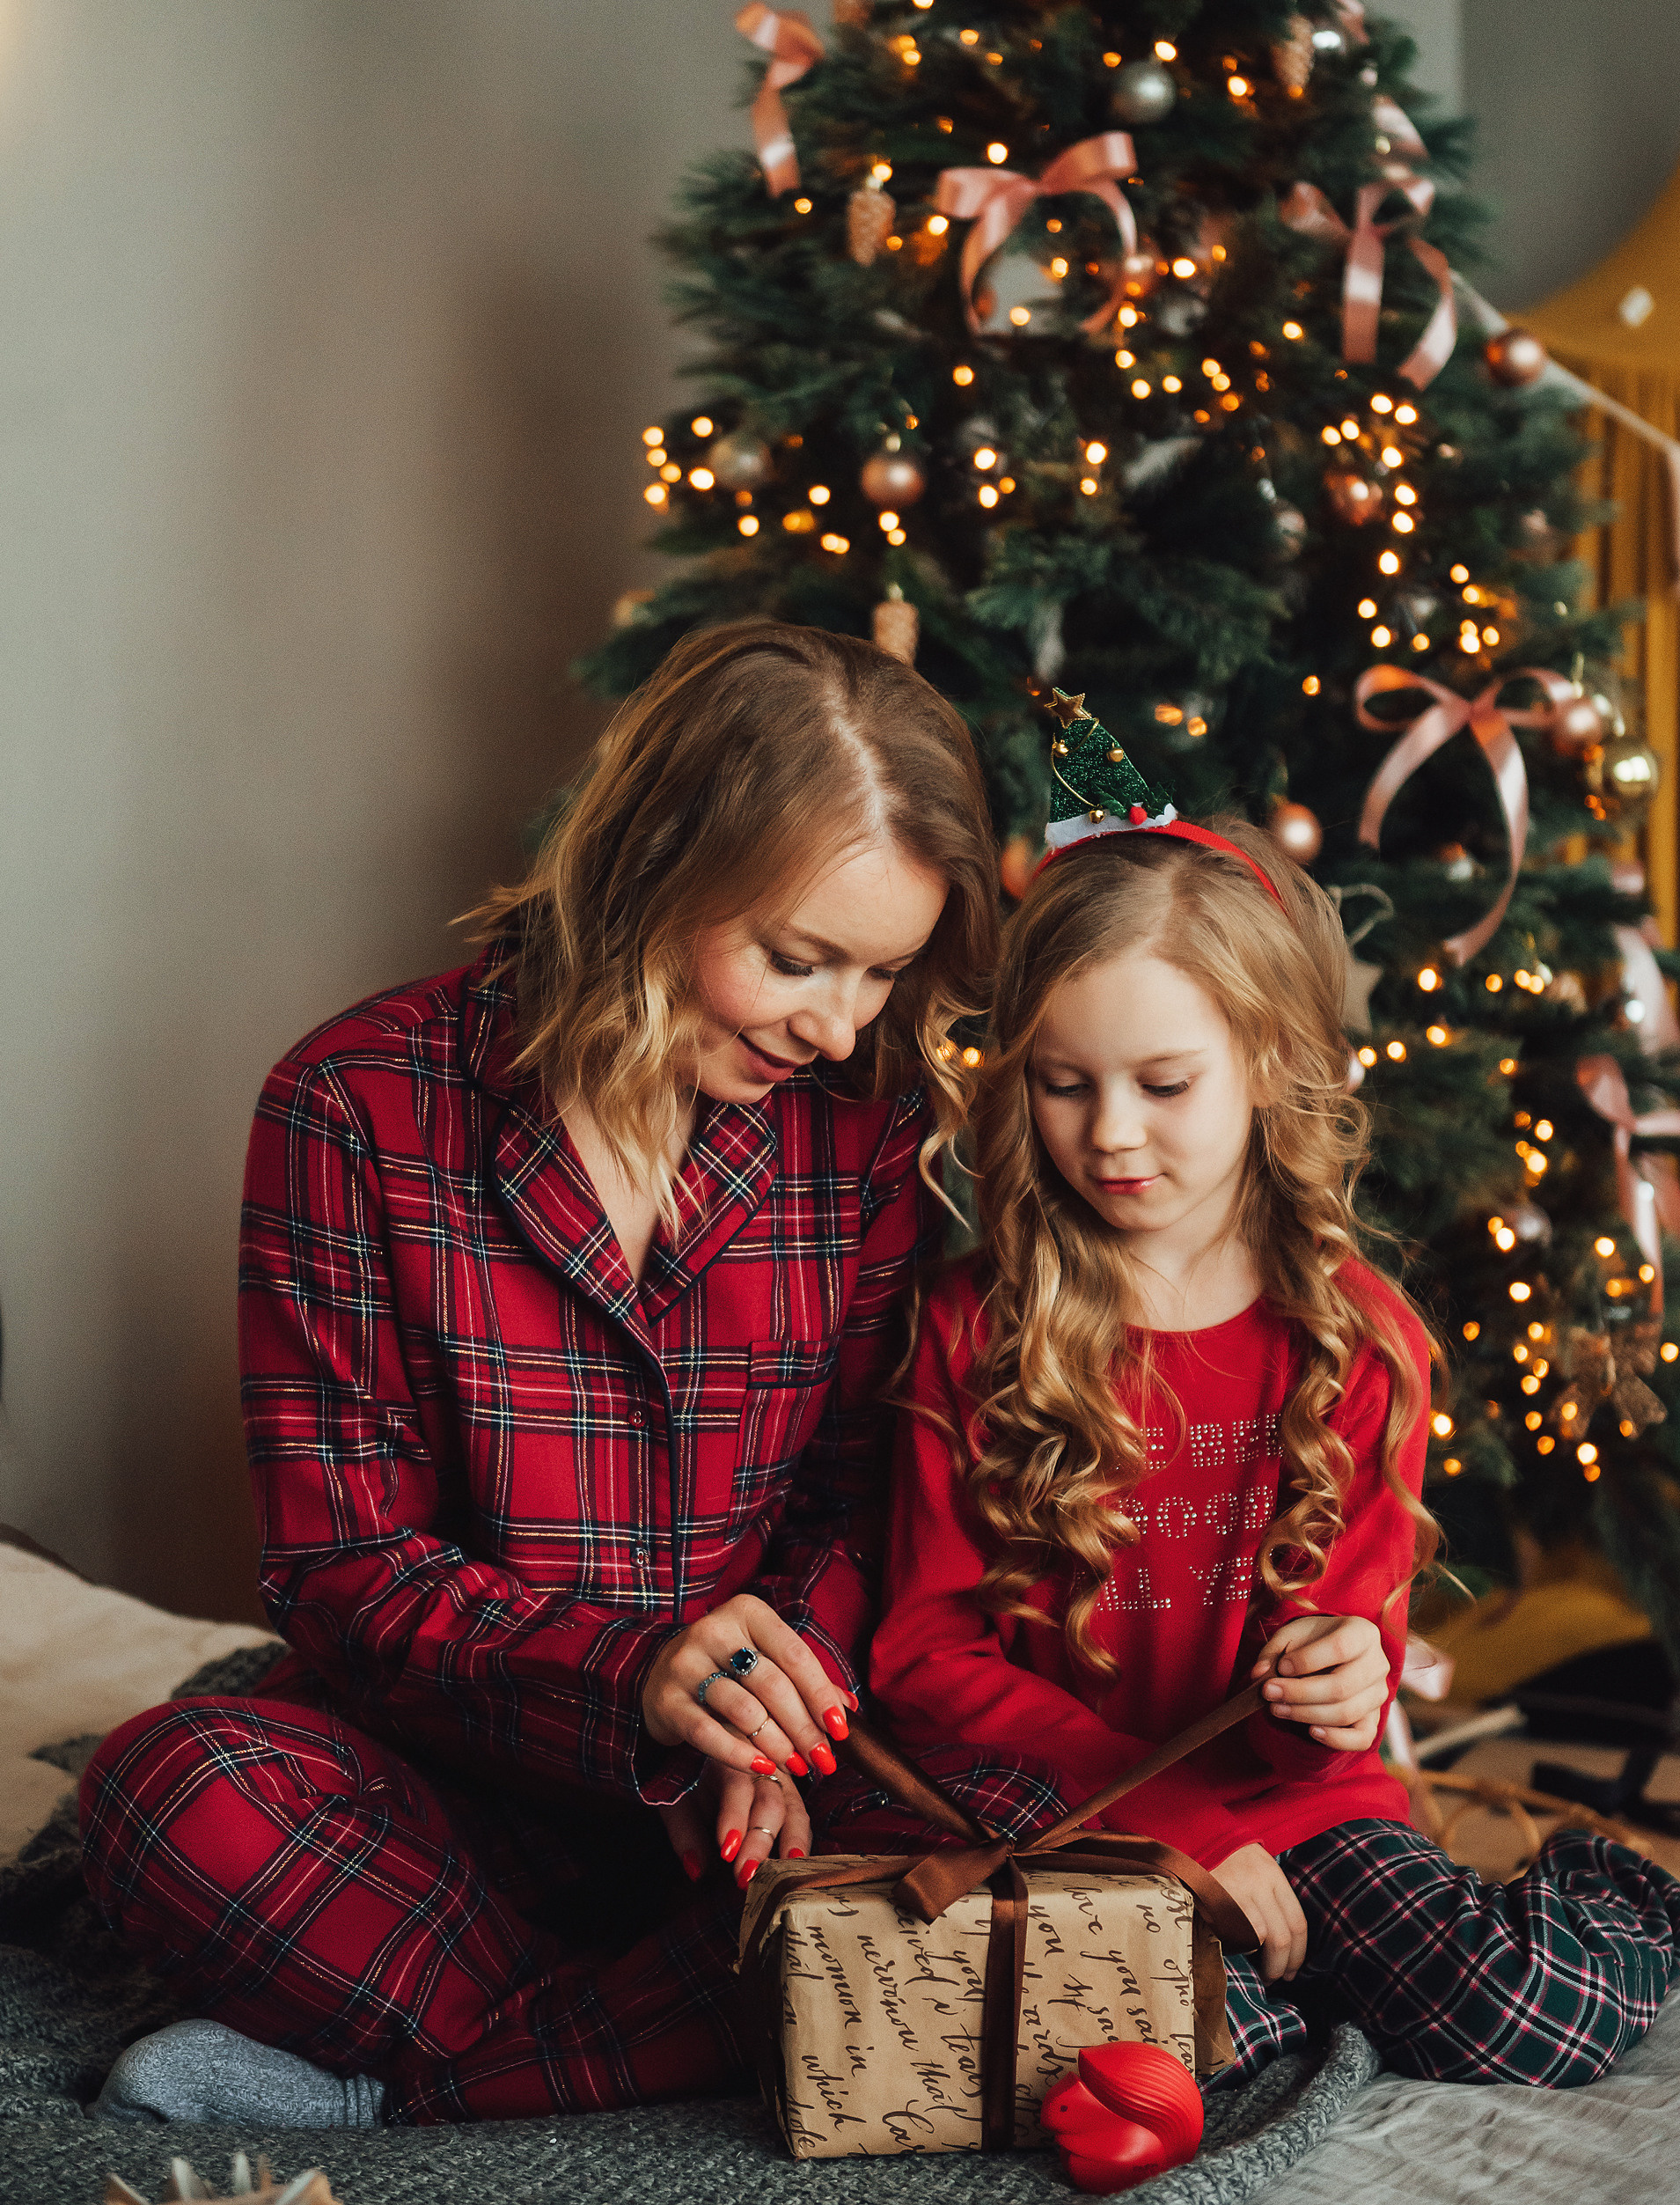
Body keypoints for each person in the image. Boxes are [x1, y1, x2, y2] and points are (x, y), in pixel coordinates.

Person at [80, 618, 1000, 2128]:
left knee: (1024, 1822)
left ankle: (407, 2078)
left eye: (882, 974)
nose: (840, 1024)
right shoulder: (354, 1105)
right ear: (656, 867)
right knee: (171, 1795)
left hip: (766, 1787)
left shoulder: (862, 1125)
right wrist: (634, 1674)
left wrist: (785, 1692)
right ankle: (675, 2028)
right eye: (796, 959)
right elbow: (342, 1572)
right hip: (455, 1774)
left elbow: (857, 1496)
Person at [868, 687, 1680, 2087]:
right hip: (1075, 1809)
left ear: (1270, 1064)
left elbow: (1345, 1627)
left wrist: (1346, 1667)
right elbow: (924, 1658)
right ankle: (1289, 2003)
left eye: (1163, 1082)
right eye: (1065, 1084)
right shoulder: (973, 1326)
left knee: (1521, 2020)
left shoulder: (1360, 1337)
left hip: (1307, 1808)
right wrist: (1174, 1831)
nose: (1109, 1135)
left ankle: (1609, 1900)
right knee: (1193, 2059)